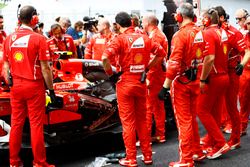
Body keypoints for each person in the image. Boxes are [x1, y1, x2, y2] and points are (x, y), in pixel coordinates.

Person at [102, 11, 166, 167]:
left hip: (125, 83)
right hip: (141, 82)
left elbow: (104, 58)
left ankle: (131, 158)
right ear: (131, 22)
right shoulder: (145, 38)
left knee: (128, 123)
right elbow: (161, 54)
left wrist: (111, 75)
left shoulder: (119, 40)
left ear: (117, 25)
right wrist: (147, 68)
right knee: (142, 121)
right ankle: (148, 156)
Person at [2, 5, 55, 167]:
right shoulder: (39, 39)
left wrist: (11, 82)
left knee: (16, 124)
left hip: (16, 86)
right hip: (34, 86)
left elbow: (5, 66)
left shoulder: (9, 38)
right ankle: (39, 163)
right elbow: (46, 68)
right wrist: (51, 90)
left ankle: (13, 162)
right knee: (36, 125)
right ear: (34, 18)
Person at [158, 3, 205, 167]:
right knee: (191, 120)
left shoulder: (180, 35)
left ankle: (186, 159)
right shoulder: (200, 32)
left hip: (181, 84)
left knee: (183, 121)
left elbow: (174, 65)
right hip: (195, 80)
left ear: (179, 17)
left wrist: (164, 87)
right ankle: (197, 152)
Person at [214, 6, 250, 150]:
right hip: (228, 72)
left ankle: (236, 134)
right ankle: (235, 130)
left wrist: (241, 64)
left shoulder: (235, 33)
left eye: (240, 19)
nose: (239, 22)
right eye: (237, 19)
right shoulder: (221, 32)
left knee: (235, 104)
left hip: (239, 72)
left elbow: (246, 52)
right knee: (236, 102)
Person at [197, 8, 230, 160]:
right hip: (224, 76)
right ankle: (212, 142)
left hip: (215, 77)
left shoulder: (209, 33)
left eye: (203, 18)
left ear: (207, 20)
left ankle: (220, 142)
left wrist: (203, 79)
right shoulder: (221, 31)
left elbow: (209, 58)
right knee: (215, 112)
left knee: (202, 110)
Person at [142, 13, 168, 143]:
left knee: (148, 107)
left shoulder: (155, 36)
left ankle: (146, 138)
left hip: (155, 75)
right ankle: (160, 134)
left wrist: (147, 76)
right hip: (159, 74)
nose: (141, 24)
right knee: (158, 106)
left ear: (147, 23)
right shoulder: (159, 34)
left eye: (143, 21)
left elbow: (155, 58)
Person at [239, 16, 250, 136]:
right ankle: (242, 126)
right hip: (246, 72)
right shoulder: (243, 36)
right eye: (248, 23)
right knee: (243, 101)